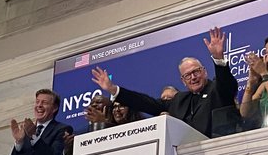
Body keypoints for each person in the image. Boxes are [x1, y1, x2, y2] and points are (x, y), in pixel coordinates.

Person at [90, 28, 239, 137]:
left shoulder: (217, 89)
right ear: (183, 81)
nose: (193, 77)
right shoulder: (179, 100)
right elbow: (145, 102)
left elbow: (227, 84)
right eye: (188, 75)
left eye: (196, 71)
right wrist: (113, 89)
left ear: (204, 72)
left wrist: (218, 58)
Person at [8, 88, 72, 155]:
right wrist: (19, 142)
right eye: (37, 102)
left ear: (54, 108)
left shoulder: (62, 129)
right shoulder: (26, 131)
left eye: (44, 102)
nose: (39, 105)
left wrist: (34, 137)